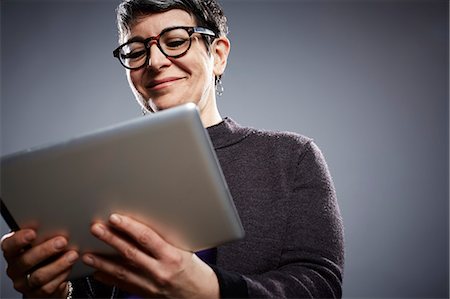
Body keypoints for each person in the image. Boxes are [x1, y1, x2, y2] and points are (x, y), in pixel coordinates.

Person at [1, 0, 344, 298]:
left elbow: (320, 286)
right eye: (136, 51)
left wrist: (210, 290)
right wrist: (53, 293)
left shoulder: (290, 157)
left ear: (219, 55)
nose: (154, 61)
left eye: (176, 42)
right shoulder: (97, 173)